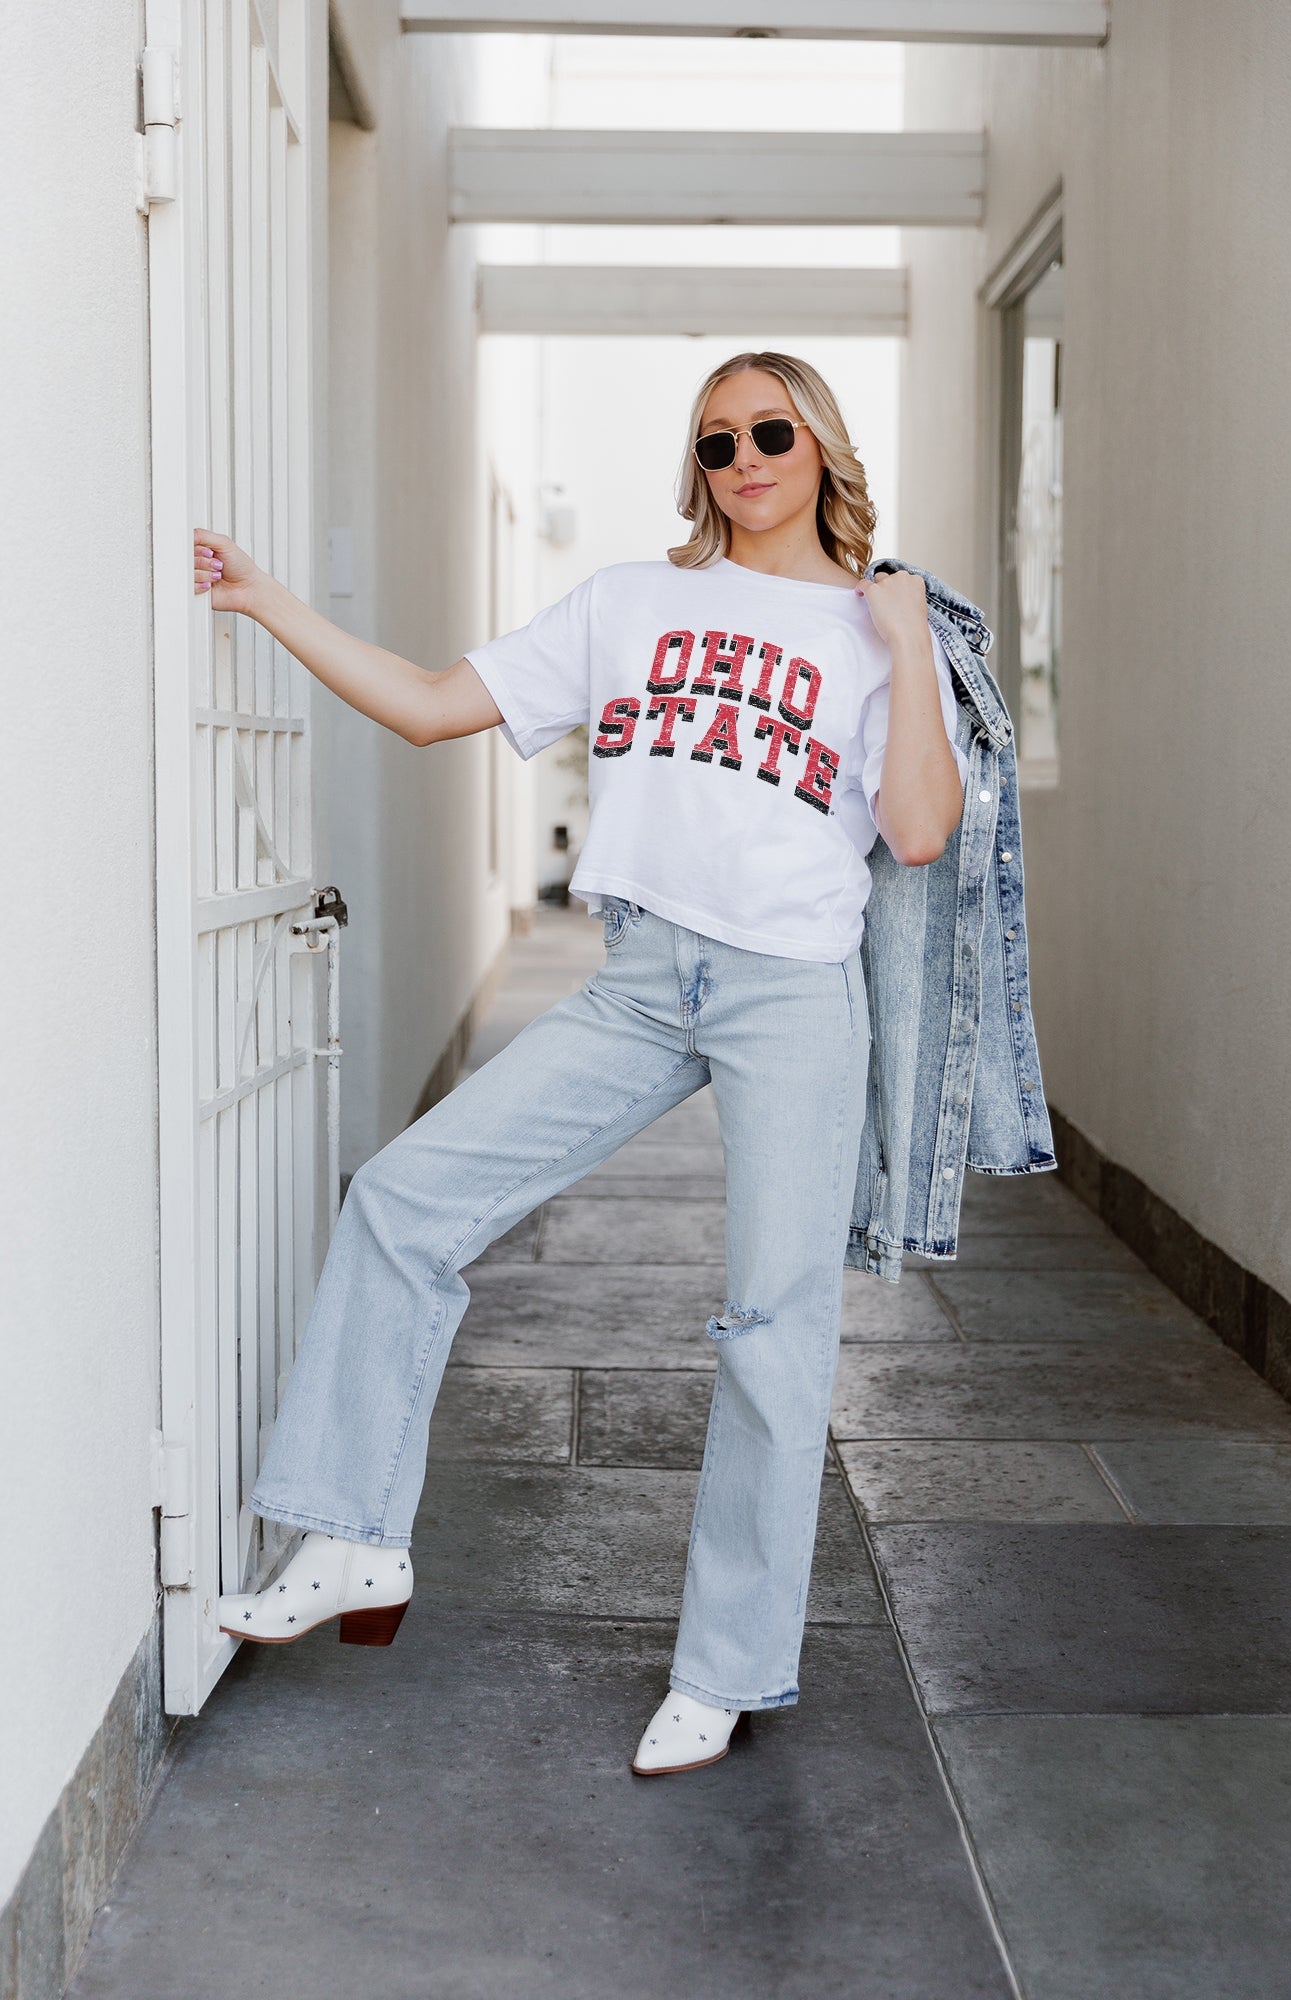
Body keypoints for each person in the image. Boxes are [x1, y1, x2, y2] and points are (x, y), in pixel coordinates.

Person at [196, 350, 969, 1777]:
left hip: (790, 993)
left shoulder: (873, 633)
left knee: (770, 1332)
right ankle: (352, 1535)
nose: (743, 457)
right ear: (699, 466)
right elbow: (435, 704)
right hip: (639, 980)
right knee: (403, 1196)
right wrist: (264, 598)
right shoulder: (633, 600)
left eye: (770, 432)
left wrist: (907, 638)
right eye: (716, 438)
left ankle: (726, 1671)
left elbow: (917, 830)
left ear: (820, 448)